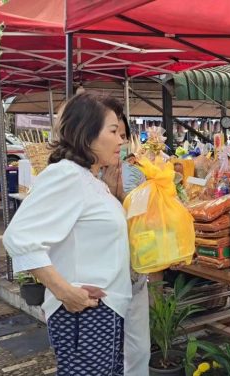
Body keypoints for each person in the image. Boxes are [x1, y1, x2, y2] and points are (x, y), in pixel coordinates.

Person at [3, 93, 131, 375]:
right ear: (87, 135)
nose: (121, 140)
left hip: (103, 309)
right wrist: (64, 291)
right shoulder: (67, 175)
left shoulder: (89, 178)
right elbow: (19, 237)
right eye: (113, 131)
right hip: (85, 313)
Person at [99, 100, 149, 376]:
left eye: (121, 132)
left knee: (139, 350)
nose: (119, 139)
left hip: (133, 273)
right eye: (112, 131)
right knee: (106, 356)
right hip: (101, 282)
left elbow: (144, 220)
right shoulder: (79, 176)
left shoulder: (136, 169)